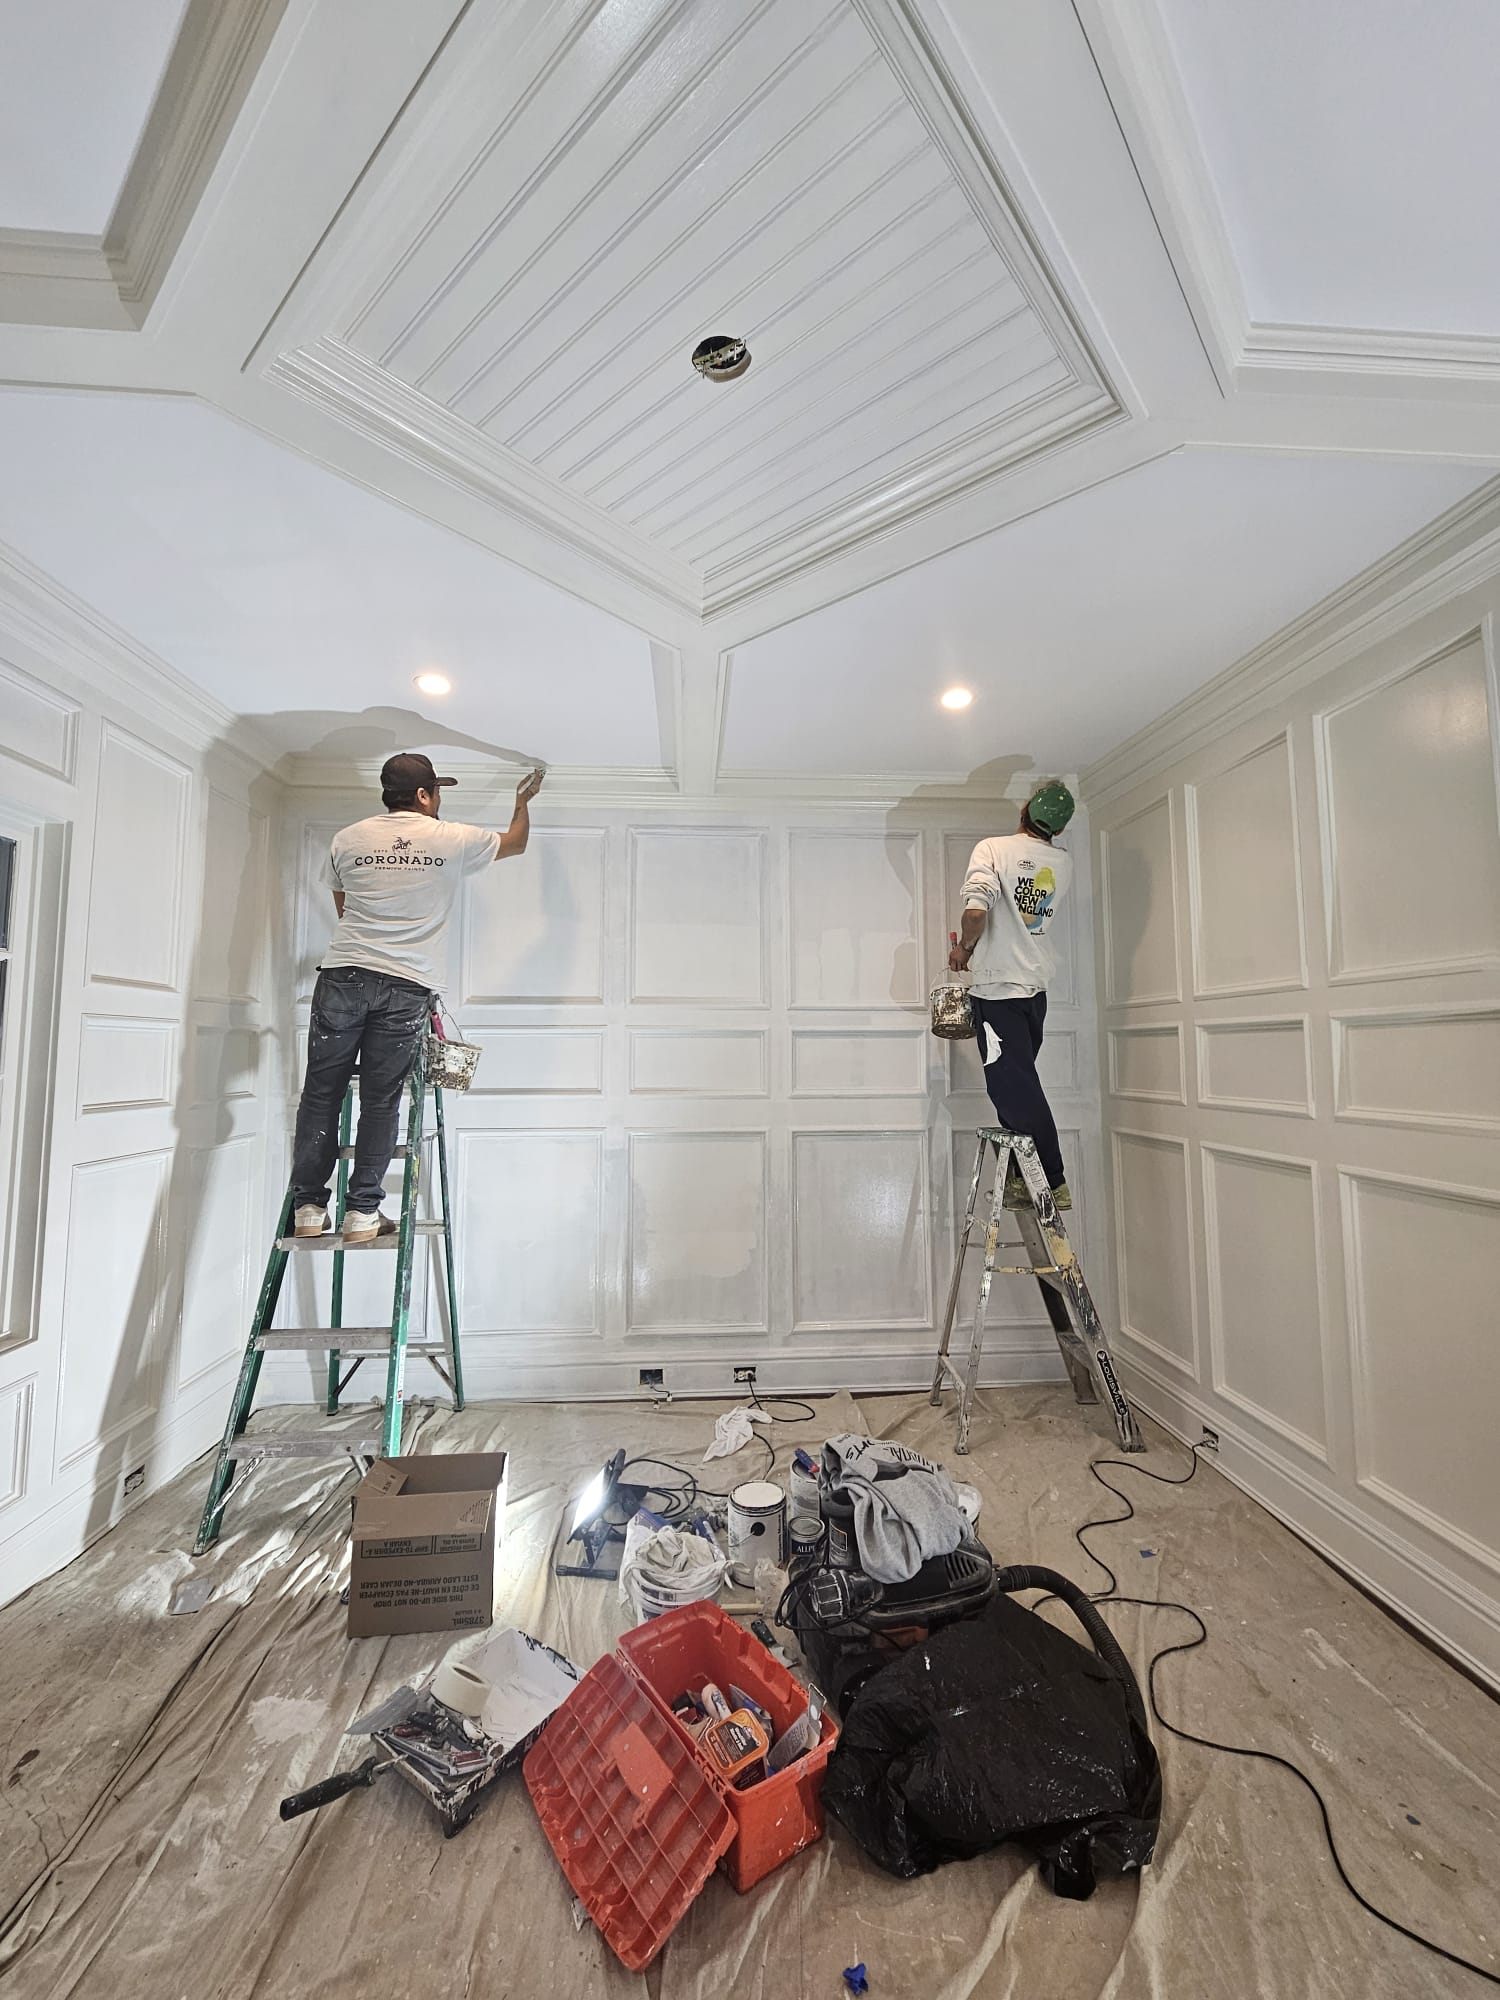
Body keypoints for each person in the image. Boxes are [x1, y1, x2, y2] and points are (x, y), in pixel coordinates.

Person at [290, 753, 544, 1241]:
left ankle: (308, 1209)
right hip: (406, 984)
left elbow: (344, 909)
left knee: (321, 1093)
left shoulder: (347, 838)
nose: (439, 799)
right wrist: (522, 801)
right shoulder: (451, 838)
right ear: (424, 795)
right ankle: (362, 1212)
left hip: (343, 974)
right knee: (381, 1098)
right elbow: (516, 843)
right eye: (437, 791)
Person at [948, 779, 1075, 1210]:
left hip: (999, 989)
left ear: (1025, 810)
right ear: (1059, 827)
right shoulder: (1061, 861)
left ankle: (1052, 1179)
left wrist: (964, 951)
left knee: (1013, 1089)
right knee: (1015, 1087)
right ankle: (1023, 1179)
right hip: (1034, 989)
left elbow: (975, 914)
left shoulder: (993, 849)